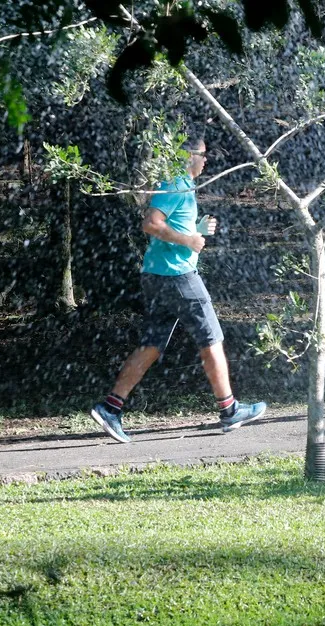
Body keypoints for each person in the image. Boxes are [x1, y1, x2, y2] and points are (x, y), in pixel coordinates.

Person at [89, 137, 266, 442]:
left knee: (152, 344)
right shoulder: (177, 185)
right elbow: (151, 224)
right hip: (179, 278)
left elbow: (165, 229)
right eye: (203, 155)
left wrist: (195, 228)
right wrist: (188, 241)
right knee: (212, 338)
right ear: (188, 157)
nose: (206, 161)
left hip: (158, 276)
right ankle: (229, 410)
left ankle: (110, 407)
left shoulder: (179, 186)